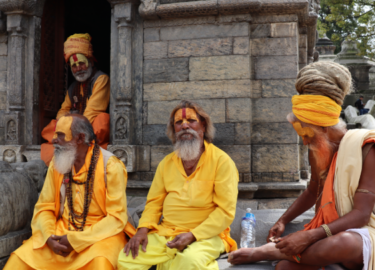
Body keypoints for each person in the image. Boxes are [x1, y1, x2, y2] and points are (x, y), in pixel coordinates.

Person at [228, 61, 375, 270]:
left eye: (307, 134)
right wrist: (283, 220)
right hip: (328, 232)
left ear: (324, 127)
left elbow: (361, 215)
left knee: (344, 243)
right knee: (285, 268)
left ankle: (266, 252)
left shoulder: (368, 149)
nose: (304, 142)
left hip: (365, 233)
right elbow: (313, 191)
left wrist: (309, 236)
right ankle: (298, 254)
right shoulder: (318, 149)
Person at [118, 100, 239, 270]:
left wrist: (193, 235)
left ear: (203, 126)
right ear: (174, 131)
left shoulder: (222, 162)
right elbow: (154, 203)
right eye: (178, 122)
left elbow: (225, 211)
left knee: (188, 261)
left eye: (191, 121)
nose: (184, 126)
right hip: (167, 234)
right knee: (126, 258)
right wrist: (142, 230)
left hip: (207, 236)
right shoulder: (166, 163)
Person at [4, 115, 135, 270]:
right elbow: (45, 207)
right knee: (18, 260)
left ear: (80, 138)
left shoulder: (111, 166)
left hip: (101, 236)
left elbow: (116, 217)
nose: (53, 140)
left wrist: (77, 240)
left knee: (101, 263)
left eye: (60, 135)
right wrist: (49, 236)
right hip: (61, 233)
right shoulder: (58, 164)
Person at [41, 33, 111, 166]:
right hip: (73, 130)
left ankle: (80, 144)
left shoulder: (101, 79)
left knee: (102, 120)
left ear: (90, 62)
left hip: (89, 129)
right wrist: (65, 124)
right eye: (74, 66)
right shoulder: (73, 87)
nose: (78, 68)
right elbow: (62, 111)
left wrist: (72, 128)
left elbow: (93, 110)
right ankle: (68, 143)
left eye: (81, 63)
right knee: (51, 127)